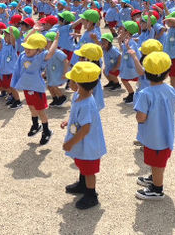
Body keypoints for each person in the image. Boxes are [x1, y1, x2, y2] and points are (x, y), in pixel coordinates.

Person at [61, 62, 107, 209]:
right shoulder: (78, 95)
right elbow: (78, 116)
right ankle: (82, 185)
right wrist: (69, 120)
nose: (69, 83)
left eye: (71, 80)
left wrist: (71, 142)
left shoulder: (86, 103)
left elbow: (86, 128)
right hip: (82, 143)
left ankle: (91, 195)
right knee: (82, 163)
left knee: (89, 170)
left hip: (88, 143)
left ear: (78, 84)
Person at [133, 51, 175, 200]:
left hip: (154, 136)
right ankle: (154, 178)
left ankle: (157, 189)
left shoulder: (145, 93)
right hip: (166, 133)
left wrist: (138, 117)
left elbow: (141, 117)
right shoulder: (170, 90)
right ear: (167, 73)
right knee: (158, 162)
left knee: (157, 163)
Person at [11, 31, 59, 145]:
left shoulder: (40, 57)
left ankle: (47, 131)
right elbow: (24, 41)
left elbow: (51, 52)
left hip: (36, 88)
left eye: (30, 49)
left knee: (41, 111)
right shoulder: (23, 55)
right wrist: (33, 30)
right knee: (32, 108)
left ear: (39, 50)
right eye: (27, 48)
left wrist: (56, 39)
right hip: (27, 87)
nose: (27, 50)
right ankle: (35, 125)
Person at [44, 32, 69, 107]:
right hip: (51, 73)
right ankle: (55, 99)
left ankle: (62, 97)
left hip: (57, 72)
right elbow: (47, 63)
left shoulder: (58, 52)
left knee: (53, 85)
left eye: (47, 42)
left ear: (53, 42)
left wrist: (65, 73)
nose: (45, 44)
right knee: (49, 86)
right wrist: (45, 72)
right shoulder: (47, 52)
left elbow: (66, 61)